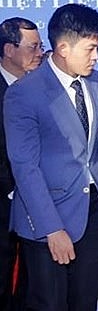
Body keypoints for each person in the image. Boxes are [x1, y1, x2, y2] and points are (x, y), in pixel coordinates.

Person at [4, 3, 98, 310]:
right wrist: (52, 228)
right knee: (50, 304)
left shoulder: (96, 83)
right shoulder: (25, 93)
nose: (97, 57)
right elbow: (25, 167)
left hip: (92, 213)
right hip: (47, 219)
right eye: (91, 49)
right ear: (63, 47)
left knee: (85, 302)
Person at [0, 16, 44, 311]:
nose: (40, 53)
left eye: (42, 46)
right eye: (33, 47)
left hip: (36, 204)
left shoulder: (41, 89)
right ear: (8, 50)